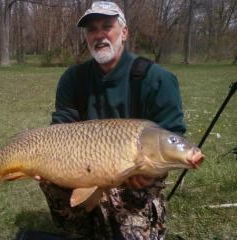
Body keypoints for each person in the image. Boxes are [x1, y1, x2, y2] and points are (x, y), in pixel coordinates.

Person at [39, 1, 186, 240]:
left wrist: (151, 174)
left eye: (107, 26)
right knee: (49, 177)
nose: (99, 35)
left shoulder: (157, 79)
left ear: (124, 32)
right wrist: (46, 160)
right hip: (83, 166)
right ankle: (79, 228)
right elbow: (61, 124)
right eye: (91, 30)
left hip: (133, 173)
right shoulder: (73, 78)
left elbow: (173, 135)